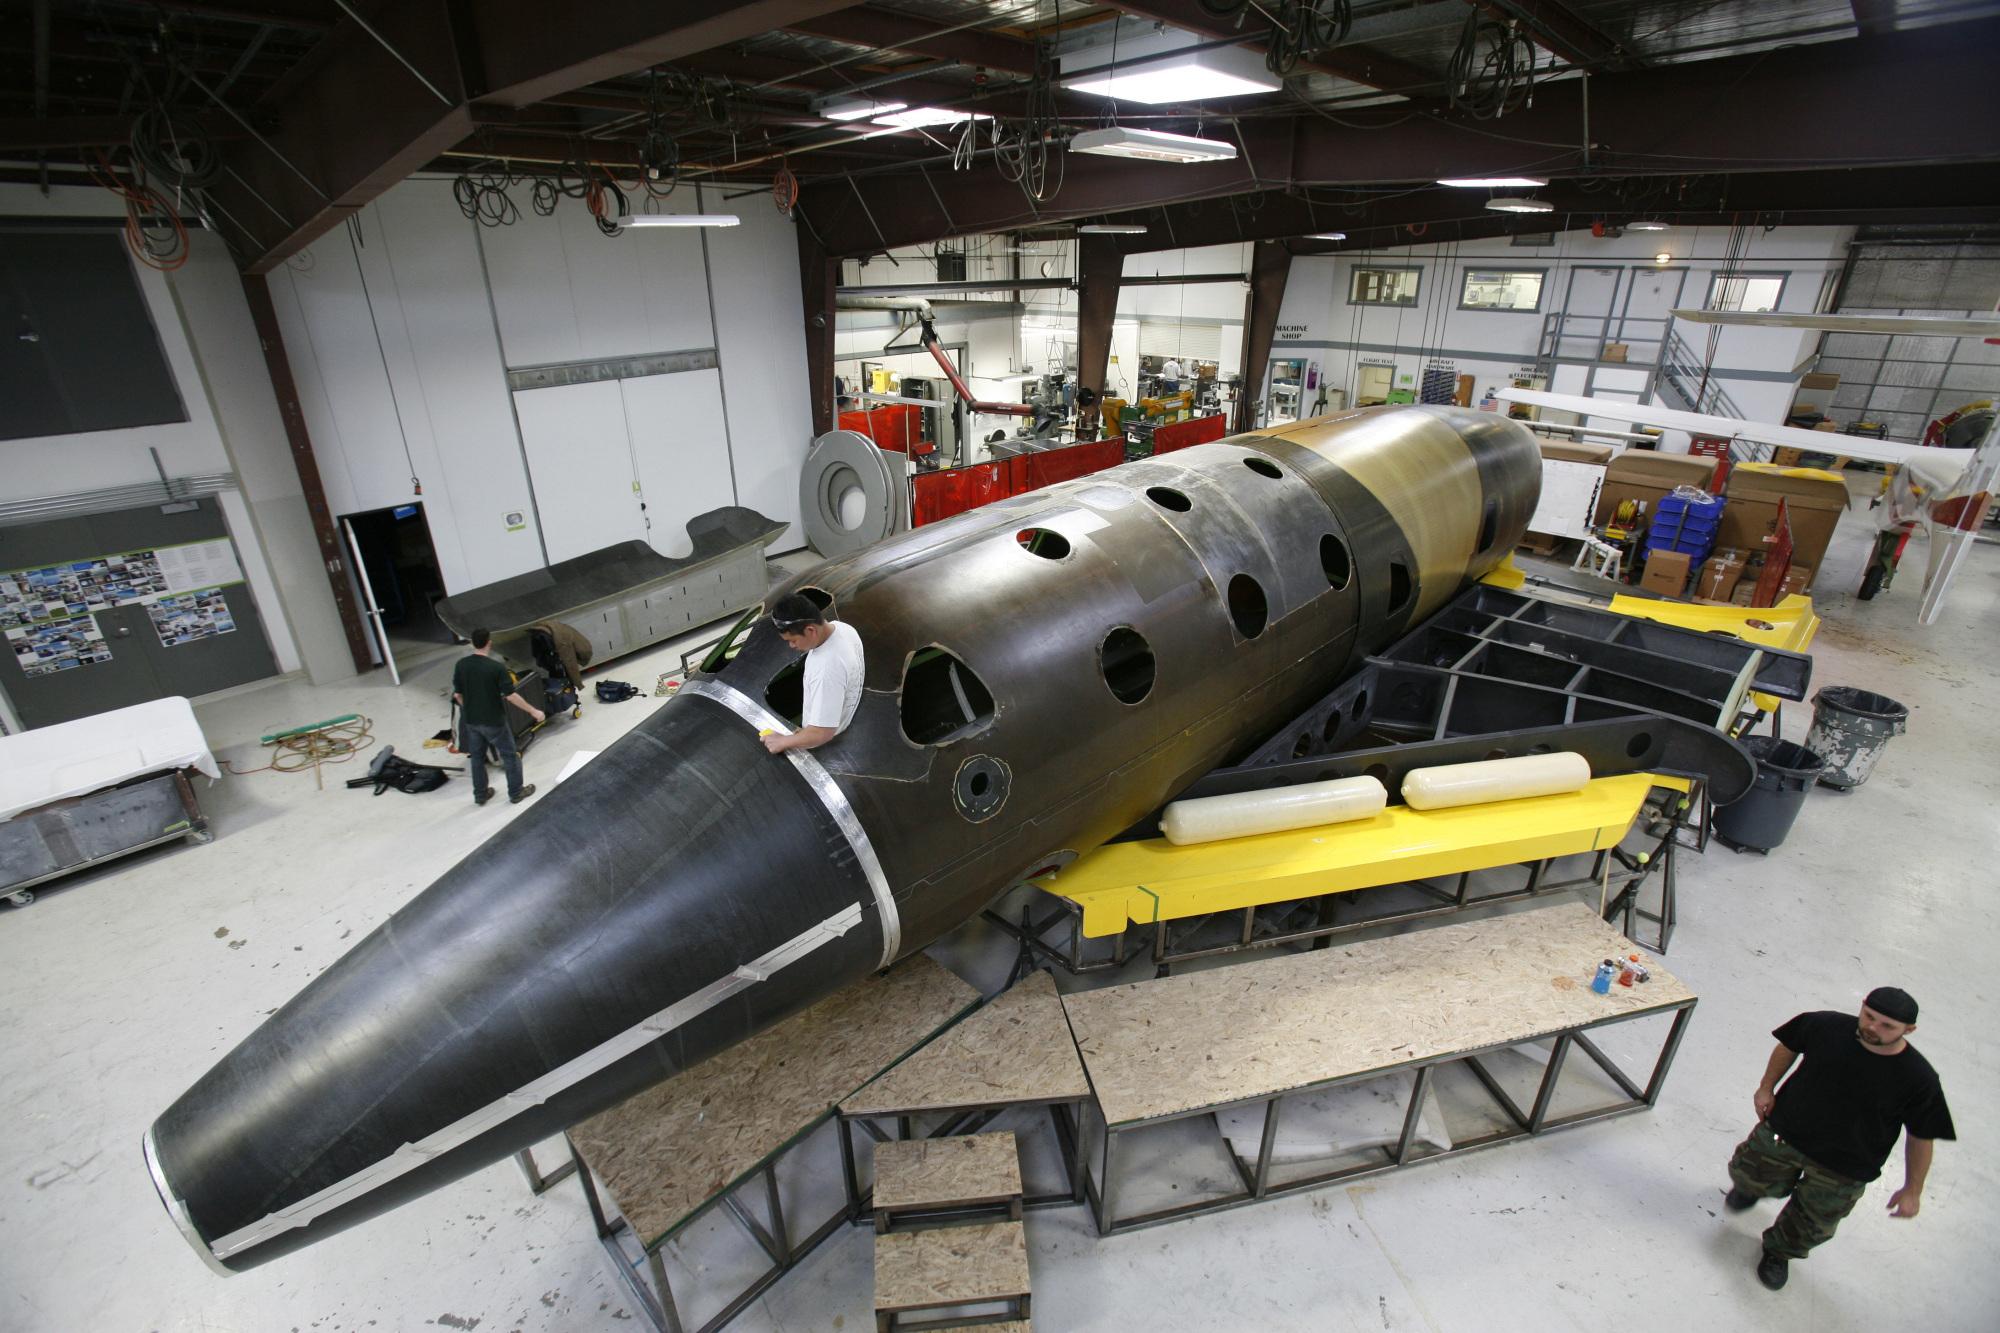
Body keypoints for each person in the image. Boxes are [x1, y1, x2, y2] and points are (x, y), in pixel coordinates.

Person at [1723, 987, 1955, 1290]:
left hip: (1847, 1165)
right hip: (1788, 1132)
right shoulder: (1825, 1026)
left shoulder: (1919, 1078)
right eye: (1869, 1016)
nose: (1873, 1027)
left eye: (1887, 1026)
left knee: (1812, 1222)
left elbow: (1922, 1136)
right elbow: (1789, 1044)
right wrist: (1766, 1087)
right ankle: (1751, 1190)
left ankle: (1779, 1253)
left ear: (1908, 1030)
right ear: (1862, 1006)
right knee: (1750, 1171)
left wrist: (1913, 1190)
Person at [452, 626, 545, 806]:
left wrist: (469, 709)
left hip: (471, 721)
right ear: (489, 643)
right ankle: (516, 792)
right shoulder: (496, 668)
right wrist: (533, 711)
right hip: (494, 721)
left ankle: (480, 795)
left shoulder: (461, 665)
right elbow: (510, 696)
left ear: (472, 643)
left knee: (477, 758)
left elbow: (457, 695)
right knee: (510, 756)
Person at [761, 593, 863, 756]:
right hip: (839, 717)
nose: (791, 646)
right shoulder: (843, 628)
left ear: (810, 630)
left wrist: (782, 741)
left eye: (793, 640)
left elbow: (822, 733)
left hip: (825, 742)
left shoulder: (826, 668)